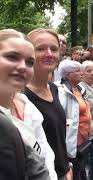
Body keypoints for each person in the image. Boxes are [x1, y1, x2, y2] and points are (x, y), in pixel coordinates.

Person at [0, 28, 50, 180]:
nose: (23, 67)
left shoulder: (26, 105)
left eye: (29, 62)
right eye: (12, 57)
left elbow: (46, 154)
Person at [25, 28, 72, 180]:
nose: (49, 54)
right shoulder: (20, 97)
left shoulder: (53, 88)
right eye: (40, 49)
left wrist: (66, 167)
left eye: (54, 49)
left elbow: (57, 138)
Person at [56, 59, 92, 180]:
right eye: (77, 71)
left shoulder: (80, 89)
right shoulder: (62, 91)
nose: (81, 73)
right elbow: (62, 118)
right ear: (68, 75)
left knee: (81, 170)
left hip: (83, 139)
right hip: (72, 143)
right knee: (75, 172)